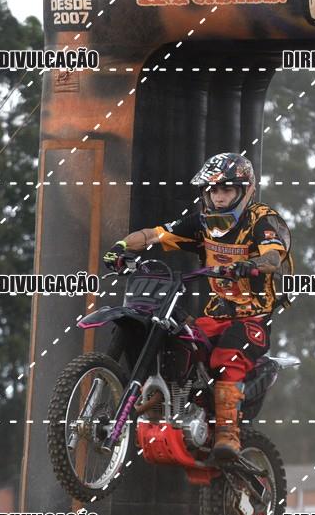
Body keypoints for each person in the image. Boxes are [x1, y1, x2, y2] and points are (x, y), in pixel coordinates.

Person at [102, 153, 293, 463]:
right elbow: (154, 234)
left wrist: (249, 264)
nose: (219, 197)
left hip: (252, 317)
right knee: (175, 338)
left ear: (245, 191)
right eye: (213, 190)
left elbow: (273, 256)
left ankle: (228, 433)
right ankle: (160, 403)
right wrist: (121, 247)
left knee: (226, 356)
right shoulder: (201, 222)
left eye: (227, 190)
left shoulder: (262, 220)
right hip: (216, 314)